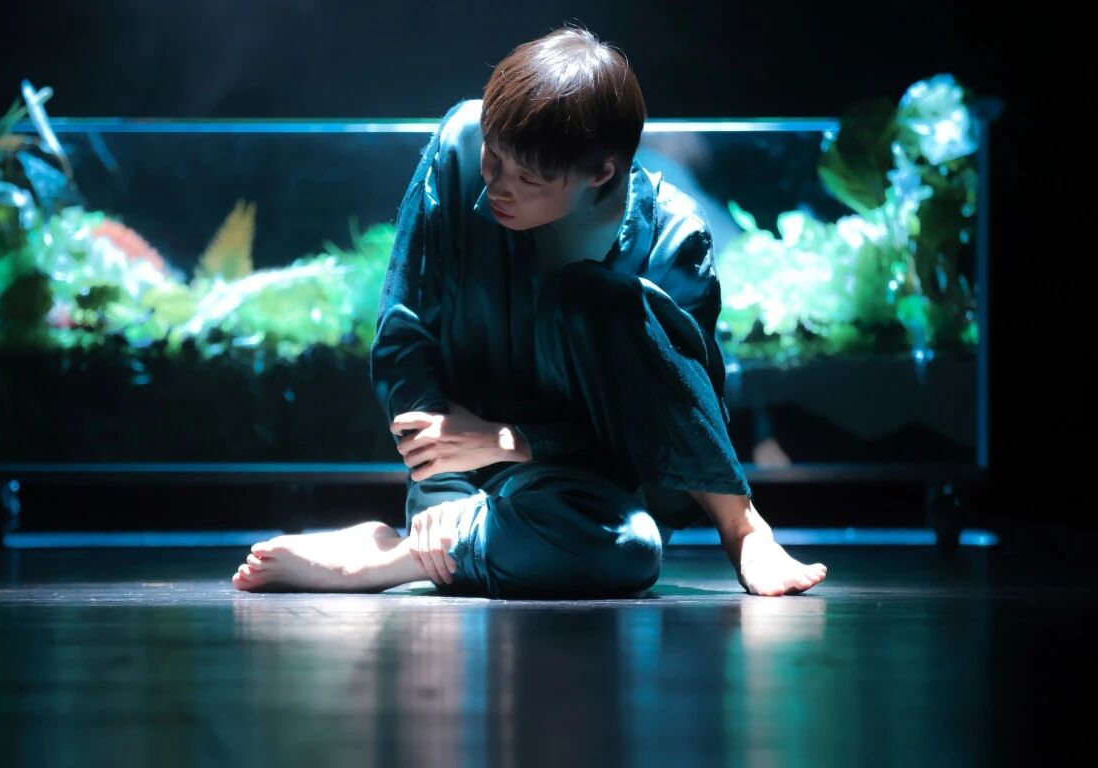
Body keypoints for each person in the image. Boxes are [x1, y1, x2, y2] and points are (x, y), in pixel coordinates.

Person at [232, 26, 827, 598]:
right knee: (577, 542)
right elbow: (404, 332)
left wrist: (513, 442)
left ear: (600, 172)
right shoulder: (463, 144)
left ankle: (395, 558)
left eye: (529, 178)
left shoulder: (673, 242)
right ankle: (435, 543)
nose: (497, 187)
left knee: (631, 547)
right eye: (493, 160)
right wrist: (444, 488)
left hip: (586, 494)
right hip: (461, 477)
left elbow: (663, 437)